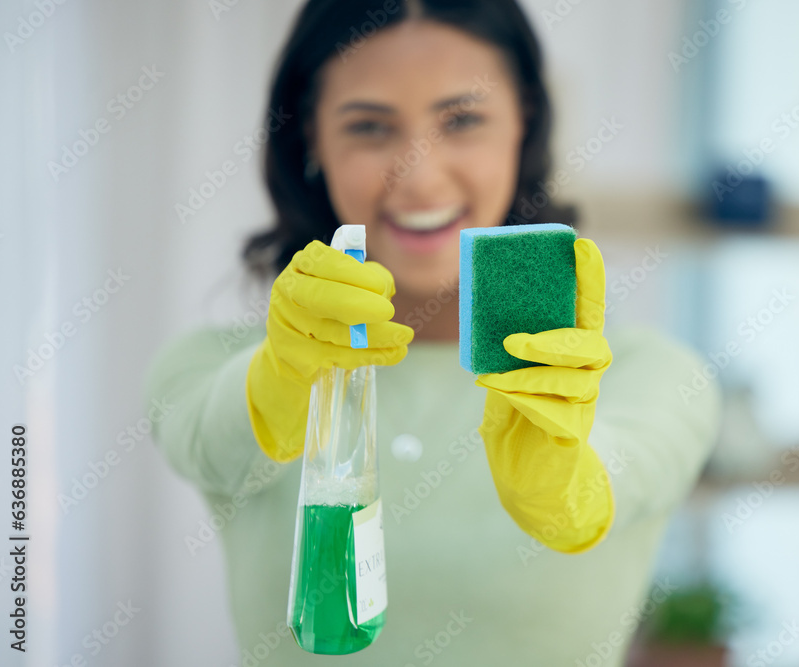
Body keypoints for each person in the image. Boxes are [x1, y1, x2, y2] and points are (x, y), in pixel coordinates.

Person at [145, 0, 720, 664]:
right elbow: (220, 442)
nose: (419, 176)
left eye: (463, 120)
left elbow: (620, 479)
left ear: (523, 125)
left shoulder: (654, 376)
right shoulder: (206, 369)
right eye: (368, 126)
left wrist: (562, 480)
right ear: (310, 140)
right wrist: (283, 375)